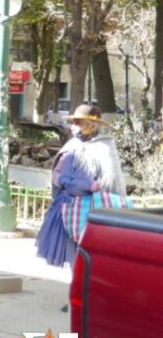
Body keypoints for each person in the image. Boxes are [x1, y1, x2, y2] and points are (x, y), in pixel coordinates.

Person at [36, 105, 125, 306]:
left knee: (92, 256)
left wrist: (89, 188)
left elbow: (112, 183)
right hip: (68, 209)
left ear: (91, 125)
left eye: (79, 122)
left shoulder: (104, 147)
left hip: (95, 211)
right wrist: (68, 184)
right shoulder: (71, 146)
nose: (74, 126)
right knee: (74, 255)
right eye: (74, 122)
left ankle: (92, 296)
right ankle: (77, 296)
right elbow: (57, 176)